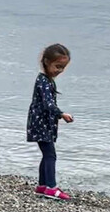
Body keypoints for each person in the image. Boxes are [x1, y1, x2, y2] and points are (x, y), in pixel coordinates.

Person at [26, 43, 74, 200]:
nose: (59, 71)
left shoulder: (45, 80)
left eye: (62, 68)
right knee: (50, 155)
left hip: (41, 123)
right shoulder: (44, 81)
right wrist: (61, 114)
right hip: (41, 124)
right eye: (57, 66)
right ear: (46, 62)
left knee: (46, 154)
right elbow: (48, 104)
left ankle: (42, 185)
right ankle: (51, 187)